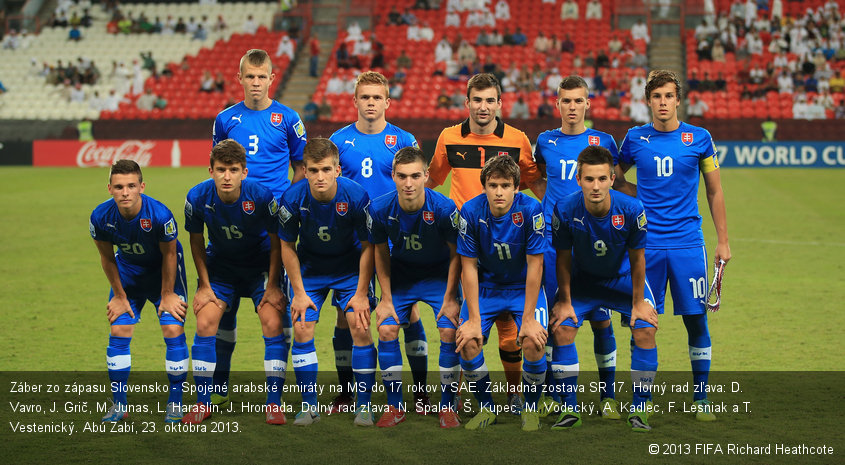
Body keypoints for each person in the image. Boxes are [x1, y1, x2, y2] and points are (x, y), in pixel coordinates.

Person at [615, 70, 731, 421]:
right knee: (643, 324)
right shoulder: (635, 139)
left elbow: (714, 190)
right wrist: (642, 197)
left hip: (687, 245)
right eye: (657, 97)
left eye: (669, 96)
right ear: (647, 101)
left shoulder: (699, 138)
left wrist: (723, 241)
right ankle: (641, 401)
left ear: (678, 100)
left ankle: (701, 398)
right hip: (645, 247)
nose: (663, 102)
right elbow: (615, 178)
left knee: (696, 321)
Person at [427, 73, 546, 412]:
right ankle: (462, 396)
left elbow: (534, 183)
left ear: (499, 103)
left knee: (510, 329)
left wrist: (551, 222)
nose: (483, 107)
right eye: (476, 100)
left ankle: (513, 393)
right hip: (465, 245)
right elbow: (432, 181)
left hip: (508, 244)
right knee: (466, 324)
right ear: (467, 103)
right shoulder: (448, 137)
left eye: (489, 100)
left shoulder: (517, 139)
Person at [328, 71, 432, 414]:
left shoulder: (404, 139)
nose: (371, 103)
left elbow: (418, 188)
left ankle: (420, 393)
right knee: (348, 316)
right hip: (354, 242)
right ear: (354, 101)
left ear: (387, 102)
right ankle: (348, 393)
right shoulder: (339, 141)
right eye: (365, 97)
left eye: (377, 97)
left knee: (408, 310)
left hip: (396, 241)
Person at [211, 49, 306, 406]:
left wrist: (286, 204)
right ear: (240, 79)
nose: (255, 83)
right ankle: (218, 387)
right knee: (225, 309)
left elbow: (300, 166)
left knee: (276, 304)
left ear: (271, 78)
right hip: (235, 218)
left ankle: (276, 395)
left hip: (273, 222)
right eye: (249, 76)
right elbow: (221, 164)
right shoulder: (225, 119)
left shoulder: (288, 118)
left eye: (261, 76)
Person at [550, 146, 659, 432]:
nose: (595, 186)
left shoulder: (632, 209)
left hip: (621, 278)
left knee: (646, 325)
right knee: (562, 327)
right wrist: (564, 300)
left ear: (612, 178)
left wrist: (638, 302)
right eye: (589, 179)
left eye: (601, 179)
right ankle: (569, 409)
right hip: (582, 280)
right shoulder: (564, 209)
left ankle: (639, 410)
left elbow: (638, 259)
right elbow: (562, 259)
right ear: (578, 179)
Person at [533, 75, 622, 419]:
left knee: (601, 319)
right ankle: (558, 396)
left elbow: (618, 185)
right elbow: (538, 178)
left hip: (593, 244)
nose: (572, 107)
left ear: (589, 103)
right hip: (555, 245)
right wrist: (553, 207)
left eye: (578, 101)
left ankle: (608, 396)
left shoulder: (604, 141)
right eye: (566, 101)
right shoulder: (545, 141)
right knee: (558, 319)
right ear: (557, 104)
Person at [181, 140, 287, 425]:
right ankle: (203, 402)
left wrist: (275, 284)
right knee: (204, 323)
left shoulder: (262, 196)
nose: (226, 176)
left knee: (273, 323)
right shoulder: (197, 197)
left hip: (259, 268)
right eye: (221, 170)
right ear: (210, 171)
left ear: (244, 172)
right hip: (222, 269)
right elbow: (195, 240)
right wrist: (204, 286)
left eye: (233, 170)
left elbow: (277, 242)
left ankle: (274, 403)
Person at [278, 138, 376, 426]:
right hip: (310, 271)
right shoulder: (292, 198)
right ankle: (309, 407)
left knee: (359, 325)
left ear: (338, 170)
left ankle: (365, 406)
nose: (320, 176)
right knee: (302, 325)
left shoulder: (357, 196)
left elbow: (369, 246)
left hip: (349, 270)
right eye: (313, 170)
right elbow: (286, 246)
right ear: (304, 171)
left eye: (325, 169)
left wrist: (360, 293)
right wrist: (297, 291)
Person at [368, 146, 463, 428]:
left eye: (414, 176)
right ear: (393, 176)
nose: (408, 183)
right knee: (385, 326)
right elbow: (380, 252)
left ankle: (448, 405)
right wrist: (385, 297)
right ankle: (394, 406)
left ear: (426, 176)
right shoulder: (380, 208)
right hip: (402, 275)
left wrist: (450, 297)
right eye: (402, 176)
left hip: (438, 276)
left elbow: (458, 253)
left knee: (448, 327)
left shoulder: (445, 208)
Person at [90, 160, 189, 423]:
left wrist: (168, 293)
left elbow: (170, 255)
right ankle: (118, 405)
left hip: (163, 274)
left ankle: (176, 402)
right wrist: (120, 296)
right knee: (119, 329)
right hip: (128, 274)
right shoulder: (100, 217)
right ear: (109, 188)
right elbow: (107, 258)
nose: (125, 192)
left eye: (131, 186)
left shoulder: (160, 215)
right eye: (119, 186)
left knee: (172, 329)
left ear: (141, 187)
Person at [456, 155, 548, 431]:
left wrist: (530, 317)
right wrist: (472, 319)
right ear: (484, 186)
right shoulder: (471, 212)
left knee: (533, 341)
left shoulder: (532, 210)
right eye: (493, 185)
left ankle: (529, 409)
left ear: (516, 188)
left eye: (505, 185)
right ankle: (487, 408)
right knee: (468, 341)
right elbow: (468, 267)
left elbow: (536, 265)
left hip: (523, 288)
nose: (498, 192)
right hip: (486, 288)